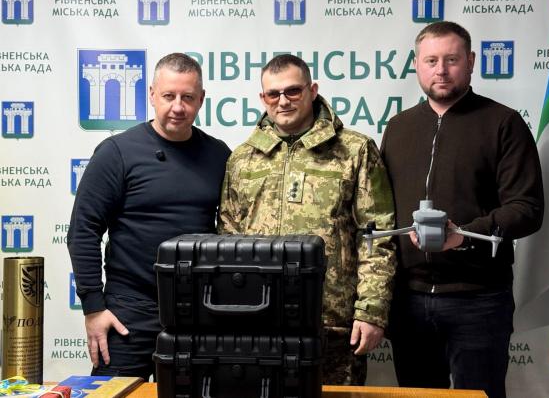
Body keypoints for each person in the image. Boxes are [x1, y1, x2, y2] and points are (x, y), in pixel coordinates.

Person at [380, 21, 544, 398]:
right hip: (409, 299)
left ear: (470, 62)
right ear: (416, 65)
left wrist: (464, 236)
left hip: (478, 299)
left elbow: (527, 208)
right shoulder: (398, 127)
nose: (441, 70)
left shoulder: (503, 123)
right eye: (431, 60)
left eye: (451, 60)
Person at [218, 54, 396, 385]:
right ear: (263, 98)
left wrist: (371, 310)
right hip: (259, 321)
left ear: (312, 91)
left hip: (333, 325)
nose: (283, 101)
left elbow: (377, 236)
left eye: (293, 91)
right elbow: (228, 242)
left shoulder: (354, 150)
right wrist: (232, 312)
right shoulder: (242, 158)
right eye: (273, 94)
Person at [67, 53, 230, 379]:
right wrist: (93, 308)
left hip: (197, 311)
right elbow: (83, 230)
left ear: (201, 100)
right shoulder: (117, 152)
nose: (178, 107)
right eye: (169, 96)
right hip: (129, 311)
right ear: (152, 95)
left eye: (187, 97)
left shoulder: (219, 155)